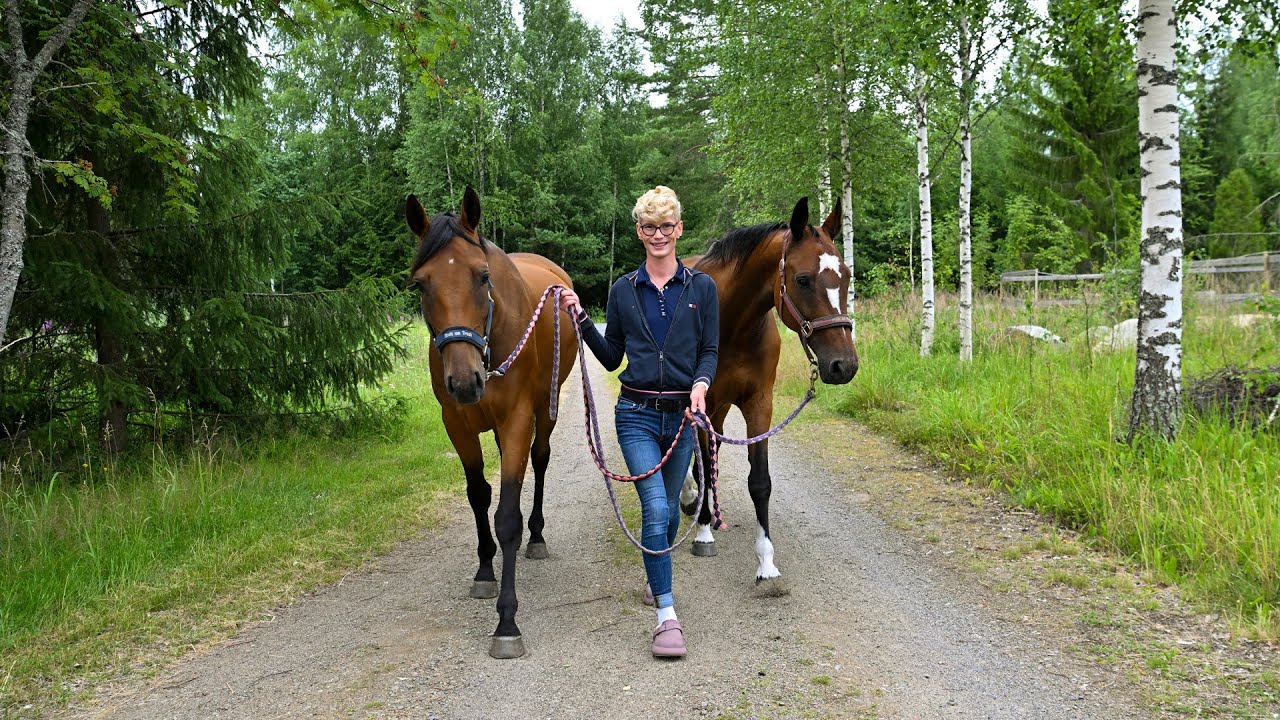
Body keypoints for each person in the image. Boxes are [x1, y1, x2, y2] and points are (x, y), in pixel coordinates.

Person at [559, 185, 719, 659]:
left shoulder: (702, 289)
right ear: (639, 231)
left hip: (684, 419)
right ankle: (666, 617)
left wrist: (701, 385)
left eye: (666, 226)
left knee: (670, 510)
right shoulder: (623, 291)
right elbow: (611, 359)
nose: (658, 235)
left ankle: (657, 570)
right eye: (649, 227)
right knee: (653, 508)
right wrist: (583, 321)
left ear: (679, 229)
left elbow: (709, 350)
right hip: (637, 416)